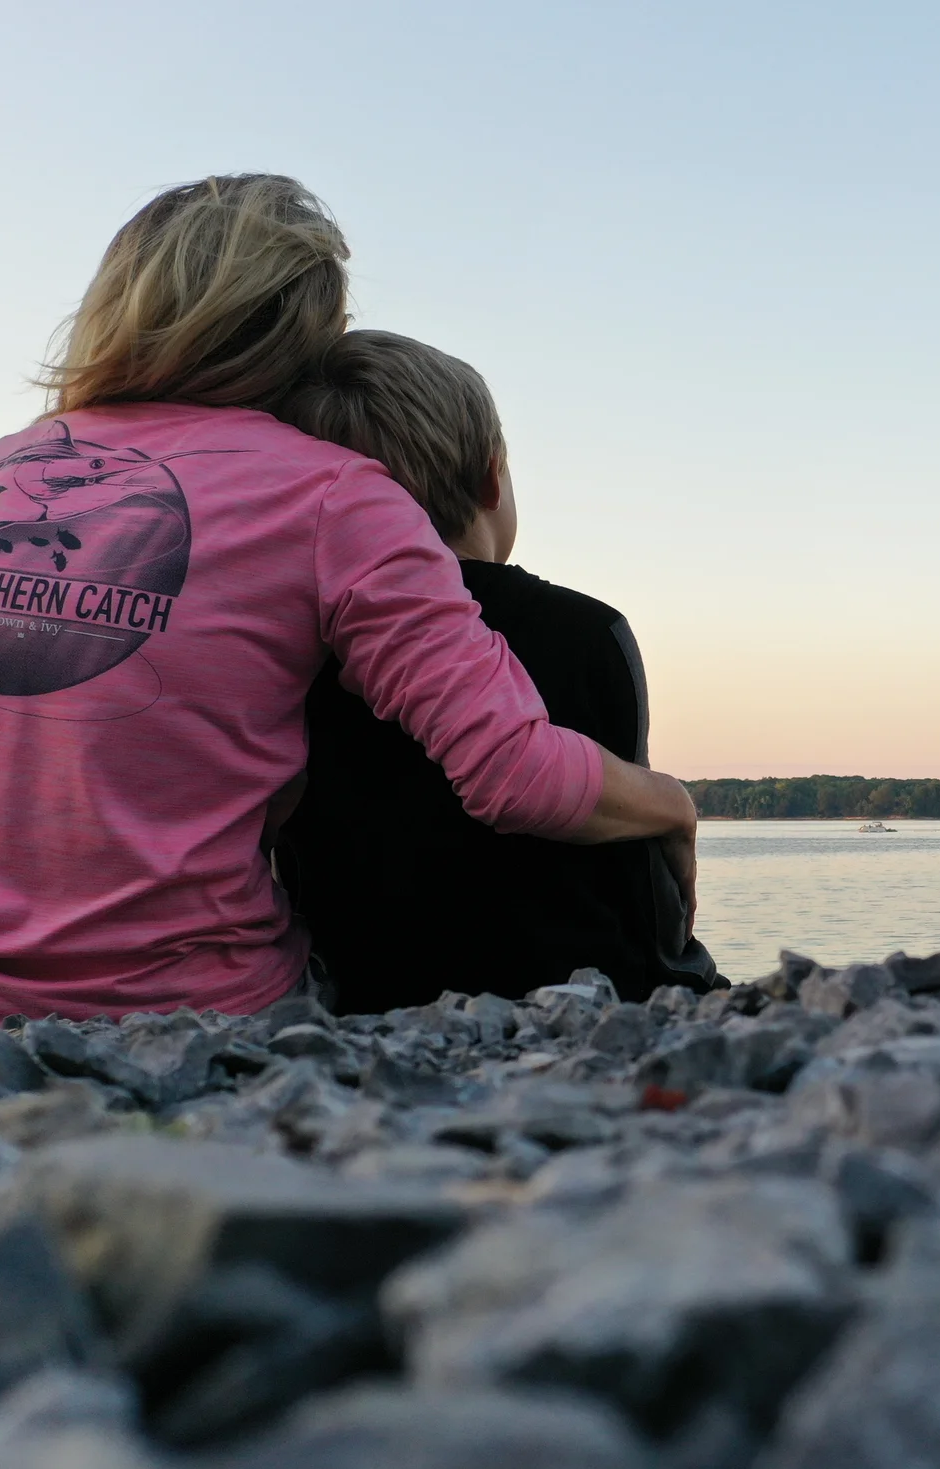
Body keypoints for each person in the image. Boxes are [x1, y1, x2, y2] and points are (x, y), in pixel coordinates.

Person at [0, 174, 697, 1025]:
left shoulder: (6, 464)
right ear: (307, 328)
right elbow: (513, 773)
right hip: (176, 1015)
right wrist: (672, 806)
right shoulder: (334, 493)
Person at [270, 330, 719, 1008]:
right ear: (491, 474)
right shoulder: (589, 631)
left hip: (369, 996)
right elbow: (638, 873)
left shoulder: (299, 649)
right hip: (587, 993)